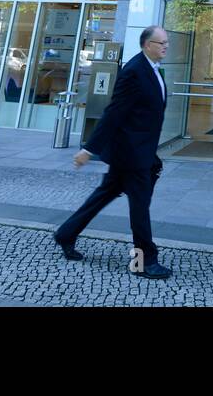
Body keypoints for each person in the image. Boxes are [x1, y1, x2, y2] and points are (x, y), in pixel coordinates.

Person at [53, 25, 172, 279]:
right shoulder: (134, 71)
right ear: (147, 44)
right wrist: (89, 149)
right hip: (131, 155)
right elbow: (114, 113)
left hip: (137, 151)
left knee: (102, 195)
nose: (165, 46)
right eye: (161, 43)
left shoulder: (152, 69)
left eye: (166, 43)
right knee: (139, 207)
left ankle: (65, 234)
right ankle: (145, 260)